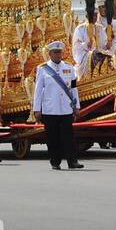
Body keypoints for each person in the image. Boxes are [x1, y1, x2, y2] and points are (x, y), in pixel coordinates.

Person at [32, 41, 82, 171]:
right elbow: (38, 90)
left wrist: (77, 106)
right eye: (55, 52)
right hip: (51, 109)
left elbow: (73, 88)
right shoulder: (42, 69)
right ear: (49, 54)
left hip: (66, 108)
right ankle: (55, 161)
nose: (58, 55)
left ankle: (72, 161)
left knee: (69, 137)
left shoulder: (69, 68)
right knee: (53, 137)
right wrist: (37, 109)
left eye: (59, 52)